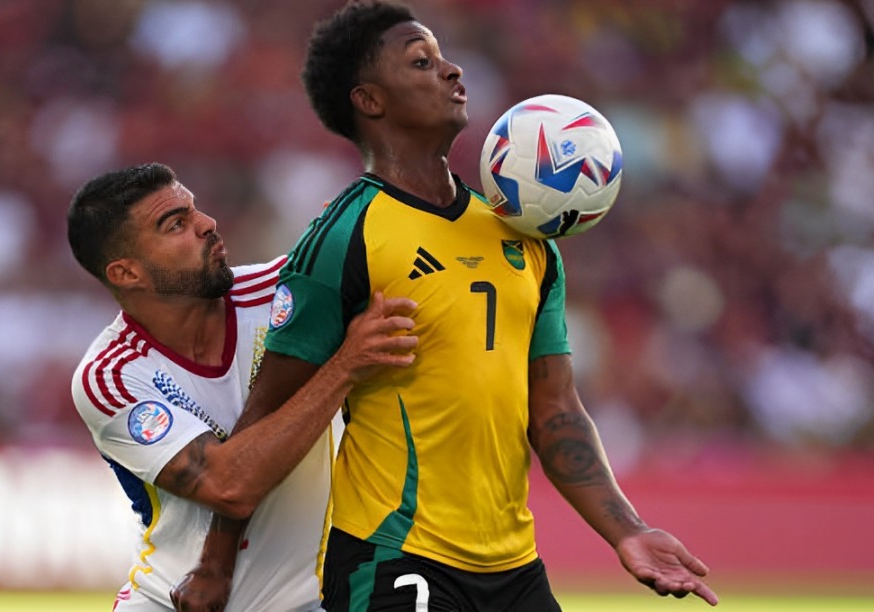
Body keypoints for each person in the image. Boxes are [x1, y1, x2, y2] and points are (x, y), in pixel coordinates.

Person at [188, 1, 720, 610]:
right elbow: (264, 412)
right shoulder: (345, 236)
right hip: (393, 558)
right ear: (370, 101)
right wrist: (214, 566)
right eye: (422, 61)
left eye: (443, 57)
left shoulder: (525, 236)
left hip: (514, 570)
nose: (452, 71)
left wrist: (627, 529)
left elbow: (555, 414)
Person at [66, 162, 419, 611]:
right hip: (167, 601)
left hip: (305, 602)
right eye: (176, 223)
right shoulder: (111, 375)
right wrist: (345, 365)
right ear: (126, 273)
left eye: (195, 210)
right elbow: (228, 484)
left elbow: (393, 254)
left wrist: (359, 233)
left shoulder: (286, 292)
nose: (207, 225)